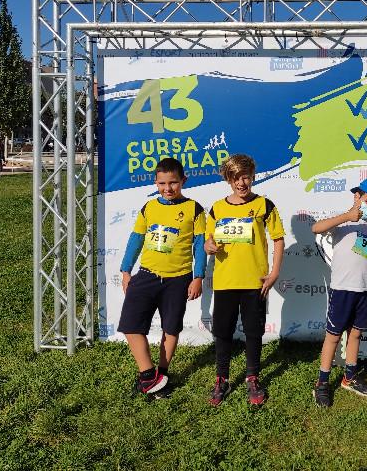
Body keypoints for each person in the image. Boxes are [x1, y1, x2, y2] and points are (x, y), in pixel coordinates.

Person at [117, 157, 206, 397]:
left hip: (178, 279)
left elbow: (199, 246)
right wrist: (126, 270)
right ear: (155, 183)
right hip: (147, 275)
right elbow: (136, 239)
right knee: (131, 324)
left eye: (173, 182)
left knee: (171, 328)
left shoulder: (194, 209)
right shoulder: (149, 207)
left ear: (183, 181)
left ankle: (162, 375)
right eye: (162, 183)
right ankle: (149, 376)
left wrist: (198, 276)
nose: (168, 188)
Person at [204, 154, 285, 406]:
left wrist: (274, 272)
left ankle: (252, 377)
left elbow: (278, 239)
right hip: (225, 281)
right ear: (228, 179)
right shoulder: (217, 208)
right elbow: (208, 241)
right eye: (235, 178)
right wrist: (209, 246)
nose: (241, 183)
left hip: (254, 282)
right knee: (223, 332)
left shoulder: (264, 205)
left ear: (253, 177)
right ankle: (222, 378)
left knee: (253, 331)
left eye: (246, 177)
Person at [311, 177, 367, 407]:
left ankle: (349, 377)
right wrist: (346, 216)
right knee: (333, 336)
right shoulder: (341, 220)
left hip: (365, 289)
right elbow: (316, 228)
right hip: (342, 289)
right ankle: (322, 382)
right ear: (357, 196)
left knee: (356, 334)